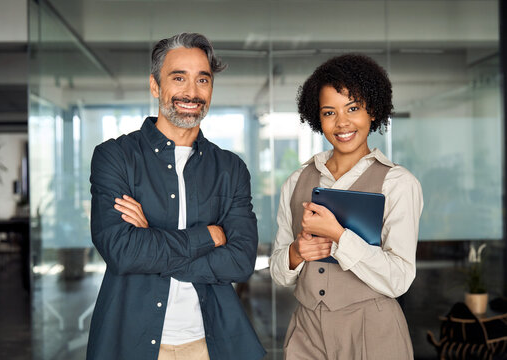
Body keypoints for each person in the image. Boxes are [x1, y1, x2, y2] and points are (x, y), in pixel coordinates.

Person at [87, 33, 266, 360]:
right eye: (178, 78)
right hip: (130, 342)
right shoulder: (116, 157)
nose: (192, 92)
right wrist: (208, 236)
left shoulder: (230, 168)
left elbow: (240, 262)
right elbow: (122, 251)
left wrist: (151, 243)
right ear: (155, 86)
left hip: (209, 344)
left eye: (202, 80)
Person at [269, 54, 423, 359]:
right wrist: (296, 253)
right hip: (307, 331)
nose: (342, 123)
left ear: (373, 112)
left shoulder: (398, 183)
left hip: (373, 331)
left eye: (353, 108)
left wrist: (339, 237)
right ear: (317, 117)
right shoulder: (297, 179)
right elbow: (278, 272)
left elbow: (399, 279)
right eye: (329, 112)